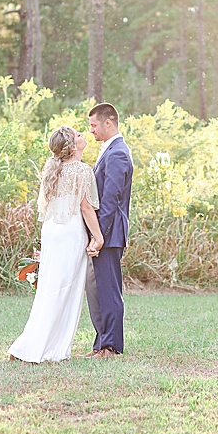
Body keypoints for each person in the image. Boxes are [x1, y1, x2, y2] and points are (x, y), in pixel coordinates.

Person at [8, 125, 104, 364]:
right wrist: (98, 237)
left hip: (51, 232)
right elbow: (85, 207)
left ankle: (36, 344)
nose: (83, 135)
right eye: (78, 135)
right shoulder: (82, 170)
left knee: (50, 288)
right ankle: (49, 348)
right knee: (66, 289)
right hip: (70, 232)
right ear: (72, 147)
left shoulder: (52, 169)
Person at [84, 103, 134, 359]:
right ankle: (100, 344)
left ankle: (112, 347)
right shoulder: (109, 151)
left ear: (108, 123)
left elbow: (111, 198)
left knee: (109, 290)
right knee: (97, 291)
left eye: (94, 125)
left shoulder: (118, 153)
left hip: (110, 234)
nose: (90, 130)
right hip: (105, 234)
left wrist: (98, 234)